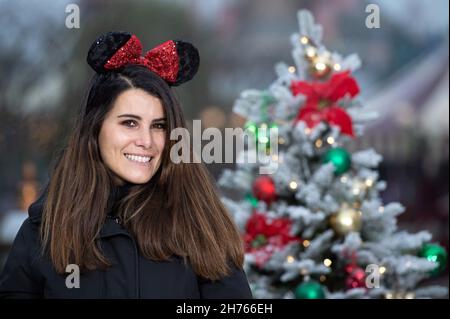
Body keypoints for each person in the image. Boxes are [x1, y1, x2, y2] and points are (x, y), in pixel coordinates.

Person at [0, 31, 253, 298]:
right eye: (129, 123)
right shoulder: (44, 229)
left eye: (159, 126)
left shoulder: (200, 223)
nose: (147, 141)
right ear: (95, 128)